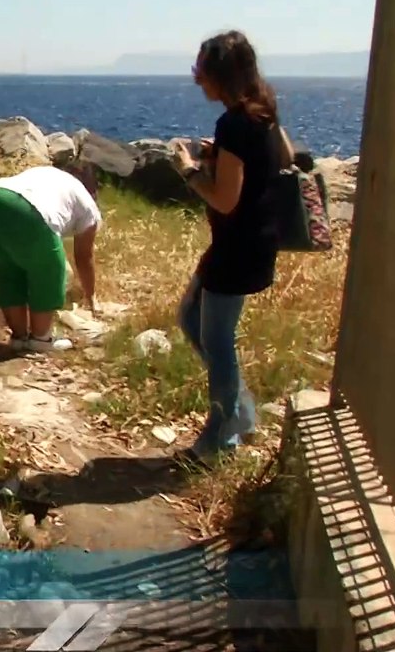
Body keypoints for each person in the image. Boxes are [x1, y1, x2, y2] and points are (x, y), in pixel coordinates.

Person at [169, 30, 295, 465]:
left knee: (217, 341)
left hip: (238, 248)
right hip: (249, 241)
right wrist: (221, 154)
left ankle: (220, 437)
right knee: (191, 319)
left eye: (200, 71)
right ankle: (240, 413)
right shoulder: (263, 114)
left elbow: (224, 198)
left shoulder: (234, 123)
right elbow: (285, 157)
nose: (196, 79)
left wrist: (189, 170)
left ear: (218, 75)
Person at [0, 164, 100, 353]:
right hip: (26, 210)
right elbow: (84, 258)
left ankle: (19, 337)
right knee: (49, 270)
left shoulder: (47, 174)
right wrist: (92, 297)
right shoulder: (88, 205)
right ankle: (41, 339)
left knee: (7, 270)